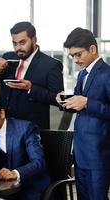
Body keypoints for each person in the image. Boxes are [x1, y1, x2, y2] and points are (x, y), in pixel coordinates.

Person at [56, 27, 110, 200]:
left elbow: (88, 104)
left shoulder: (107, 74)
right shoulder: (82, 75)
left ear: (92, 49)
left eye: (78, 54)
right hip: (80, 152)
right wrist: (66, 103)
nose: (75, 60)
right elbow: (79, 106)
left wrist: (88, 102)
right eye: (72, 56)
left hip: (99, 153)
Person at [0, 21, 63, 129]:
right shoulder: (8, 56)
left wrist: (31, 88)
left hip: (34, 130)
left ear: (34, 40)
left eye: (22, 43)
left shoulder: (51, 65)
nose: (18, 48)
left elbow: (58, 100)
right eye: (14, 43)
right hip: (6, 127)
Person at [0, 96, 50, 200]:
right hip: (1, 188)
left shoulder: (26, 128)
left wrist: (15, 173)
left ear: (2, 113)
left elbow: (39, 162)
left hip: (29, 186)